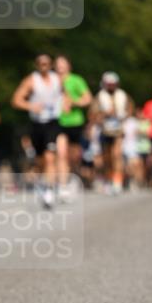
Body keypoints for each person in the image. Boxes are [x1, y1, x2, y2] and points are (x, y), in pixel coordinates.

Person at [11, 53, 62, 209]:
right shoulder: (31, 80)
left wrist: (66, 103)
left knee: (50, 157)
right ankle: (42, 183)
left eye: (46, 63)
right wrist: (31, 106)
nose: (43, 66)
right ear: (37, 65)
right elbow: (16, 100)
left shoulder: (58, 79)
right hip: (37, 124)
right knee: (40, 161)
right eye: (40, 63)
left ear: (51, 65)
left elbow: (66, 94)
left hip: (52, 122)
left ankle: (49, 191)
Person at [89, 72, 134, 194]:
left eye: (113, 84)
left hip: (118, 130)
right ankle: (109, 179)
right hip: (104, 130)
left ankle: (117, 181)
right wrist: (104, 114)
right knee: (107, 157)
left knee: (117, 154)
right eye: (109, 84)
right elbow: (92, 114)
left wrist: (121, 116)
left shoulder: (123, 96)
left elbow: (130, 110)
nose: (111, 87)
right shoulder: (99, 97)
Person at [54, 55, 92, 197]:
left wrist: (74, 103)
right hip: (58, 122)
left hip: (75, 122)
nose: (60, 67)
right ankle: (63, 185)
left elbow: (88, 99)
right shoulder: (52, 81)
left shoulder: (76, 80)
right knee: (61, 153)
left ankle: (73, 176)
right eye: (57, 64)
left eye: (62, 64)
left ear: (69, 66)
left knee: (74, 156)